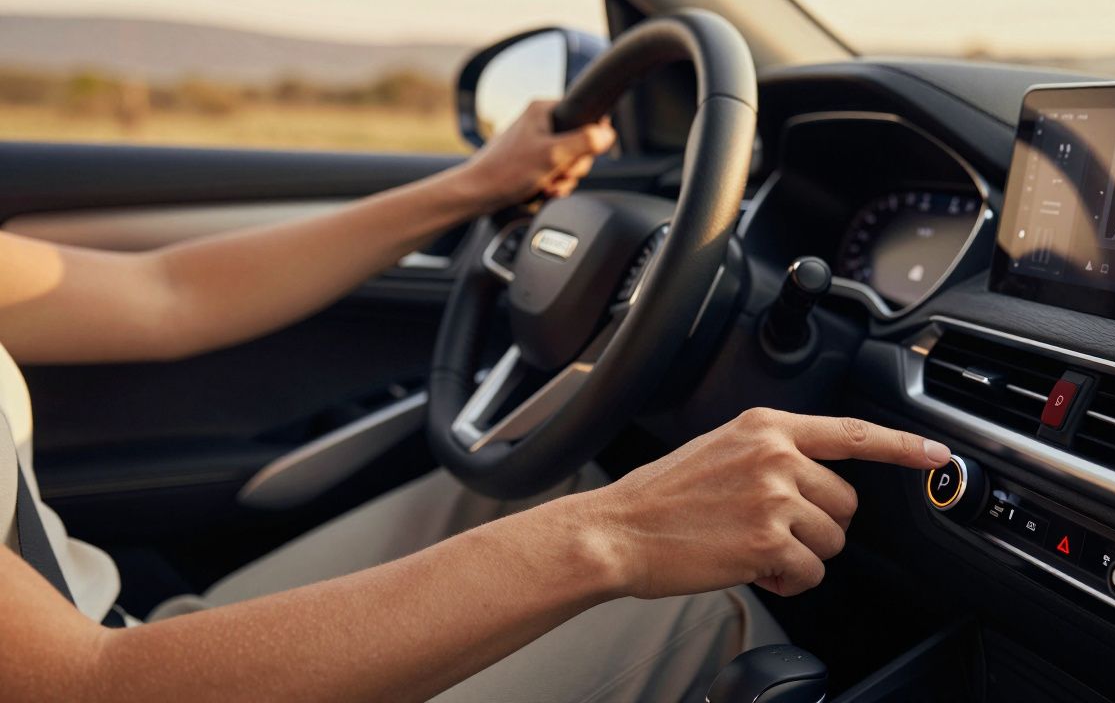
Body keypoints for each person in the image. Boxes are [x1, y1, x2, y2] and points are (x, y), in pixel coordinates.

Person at [0, 101, 954, 701]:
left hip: (121, 636)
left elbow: (166, 295)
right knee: (704, 613)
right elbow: (84, 691)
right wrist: (619, 535)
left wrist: (476, 185)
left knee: (528, 490)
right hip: (120, 673)